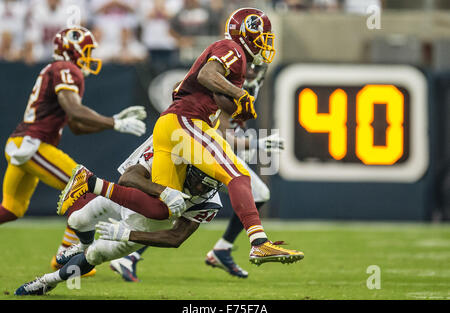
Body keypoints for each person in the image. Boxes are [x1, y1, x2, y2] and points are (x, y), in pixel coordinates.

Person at [58, 7, 303, 267]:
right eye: (263, 35)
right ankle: (258, 243)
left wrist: (238, 107)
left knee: (161, 209)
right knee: (236, 174)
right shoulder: (233, 50)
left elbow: (215, 96)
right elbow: (206, 75)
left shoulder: (235, 61)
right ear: (246, 33)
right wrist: (240, 96)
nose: (265, 42)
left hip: (171, 125)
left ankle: (90, 183)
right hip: (186, 121)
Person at [109, 63, 283, 281]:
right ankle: (129, 252)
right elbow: (220, 132)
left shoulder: (236, 88)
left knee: (248, 194)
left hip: (205, 147)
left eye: (256, 69)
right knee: (176, 206)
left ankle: (222, 249)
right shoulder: (218, 84)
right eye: (251, 67)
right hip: (196, 148)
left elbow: (226, 131)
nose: (253, 73)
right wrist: (253, 144)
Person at [0, 26, 147, 275]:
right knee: (83, 187)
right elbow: (76, 110)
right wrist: (114, 122)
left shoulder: (57, 70)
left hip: (22, 143)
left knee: (11, 209)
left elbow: (77, 126)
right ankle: (65, 258)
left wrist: (112, 123)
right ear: (74, 49)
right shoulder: (66, 69)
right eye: (87, 50)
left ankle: (67, 257)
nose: (90, 55)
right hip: (33, 144)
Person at [14, 136, 223, 295]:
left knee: (94, 256)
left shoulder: (209, 201)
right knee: (76, 220)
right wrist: (163, 191)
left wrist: (127, 235)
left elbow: (176, 238)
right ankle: (83, 244)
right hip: (129, 199)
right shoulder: (171, 161)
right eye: (200, 181)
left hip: (142, 228)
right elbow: (127, 177)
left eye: (208, 186)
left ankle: (47, 282)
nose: (200, 189)